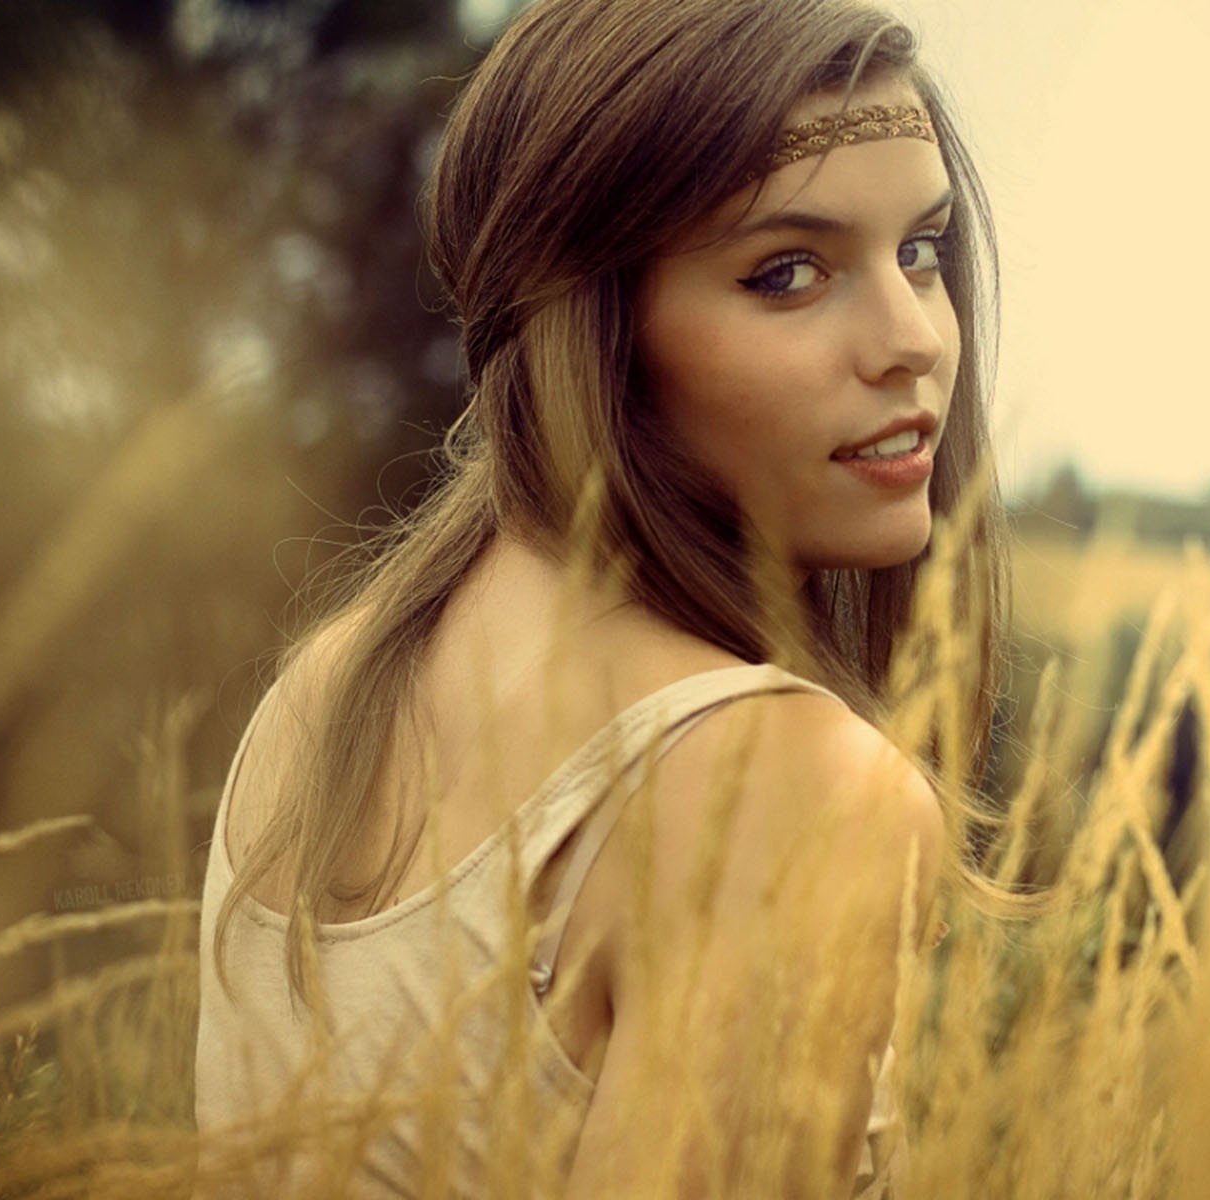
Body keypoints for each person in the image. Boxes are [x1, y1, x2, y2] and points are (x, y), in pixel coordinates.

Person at [194, 0, 1024, 1195]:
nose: (913, 341)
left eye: (924, 251)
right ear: (595, 329)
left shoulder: (328, 689)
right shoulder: (788, 786)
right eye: (787, 273)